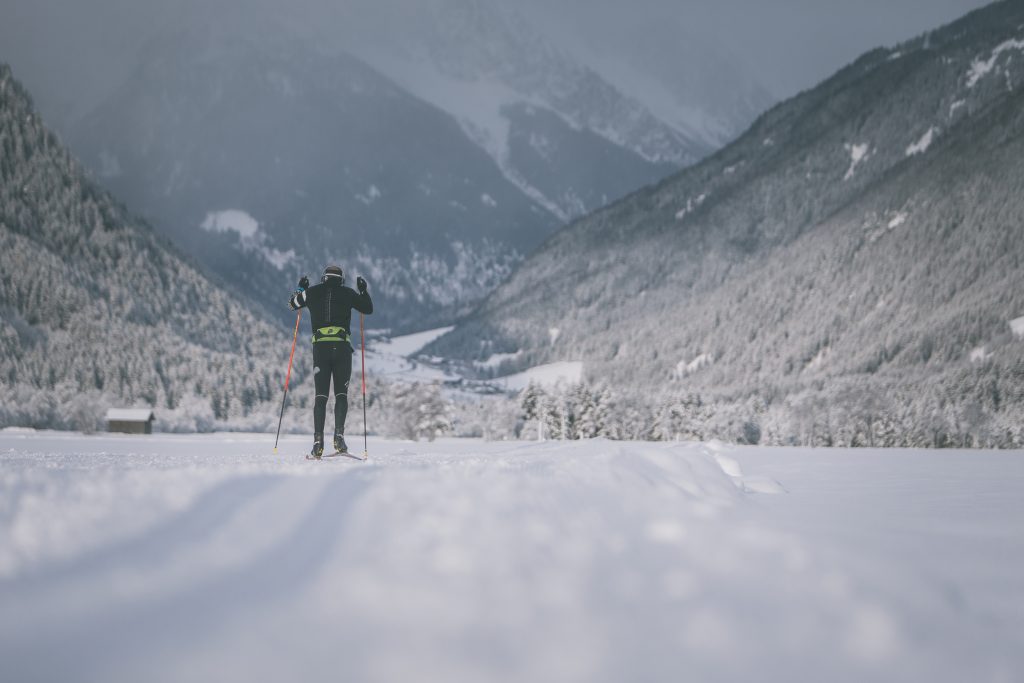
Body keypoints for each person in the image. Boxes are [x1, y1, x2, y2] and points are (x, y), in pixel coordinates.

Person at [288, 265, 373, 458]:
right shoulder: (349, 293)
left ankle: (318, 442)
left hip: (321, 350)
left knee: (321, 397)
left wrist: (301, 288)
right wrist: (363, 290)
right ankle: (339, 437)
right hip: (342, 349)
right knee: (341, 395)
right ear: (341, 279)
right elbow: (368, 308)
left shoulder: (311, 292)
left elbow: (292, 304)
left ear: (324, 278)